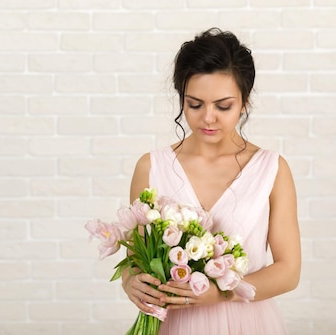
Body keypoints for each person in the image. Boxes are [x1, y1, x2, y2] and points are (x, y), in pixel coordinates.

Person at [121, 28, 301, 334]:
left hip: (247, 324)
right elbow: (135, 258)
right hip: (174, 324)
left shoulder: (272, 169)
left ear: (244, 102)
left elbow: (289, 271)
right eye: (195, 104)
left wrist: (222, 292)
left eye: (223, 106)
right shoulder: (150, 167)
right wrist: (131, 282)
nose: (208, 118)